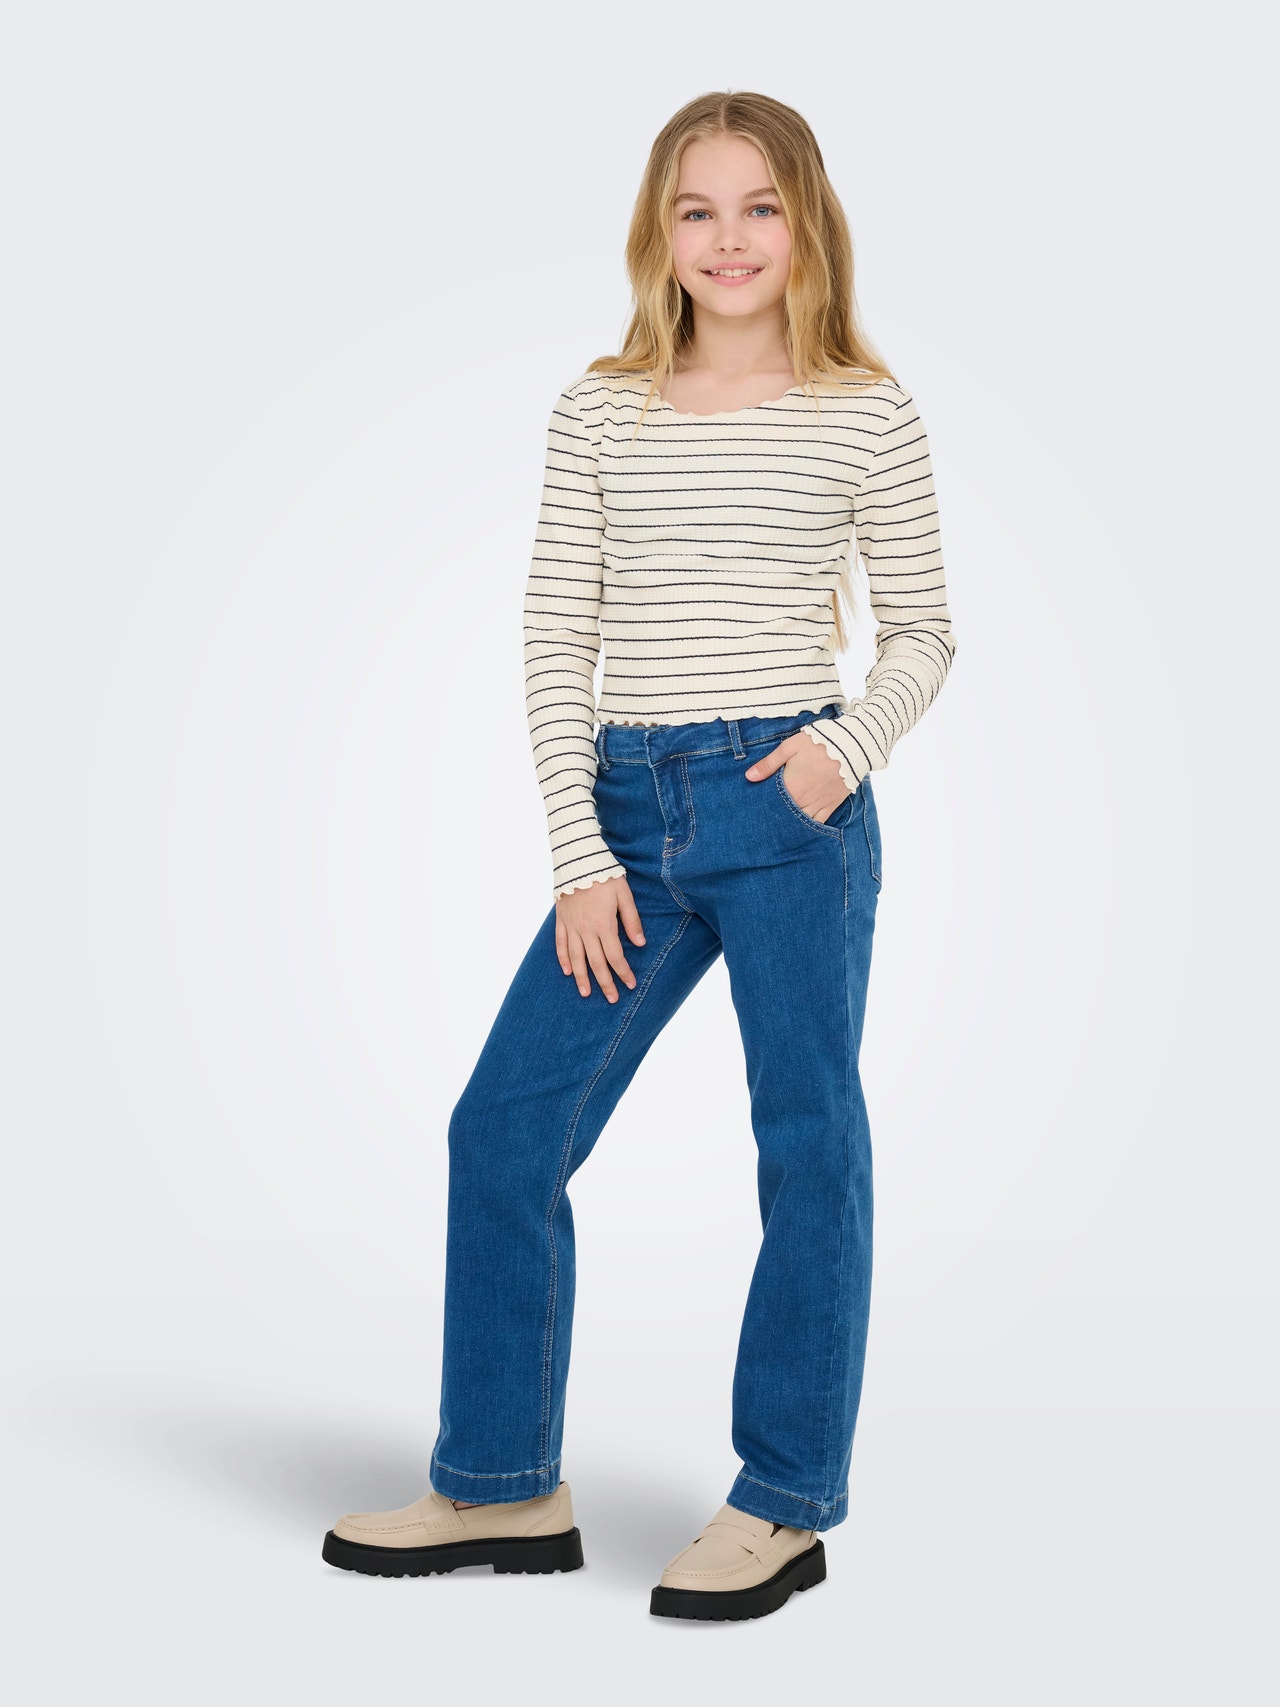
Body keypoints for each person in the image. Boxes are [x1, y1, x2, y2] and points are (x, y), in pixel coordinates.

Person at [323, 87, 956, 1623]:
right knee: (505, 1128)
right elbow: (556, 636)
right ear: (658, 232)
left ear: (806, 222)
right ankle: (501, 1482)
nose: (729, 239)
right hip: (623, 817)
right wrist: (576, 853)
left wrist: (844, 750)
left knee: (808, 1142)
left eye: (760, 207)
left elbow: (926, 633)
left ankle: (785, 1499)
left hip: (790, 808)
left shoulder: (865, 410)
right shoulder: (600, 409)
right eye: (698, 209)